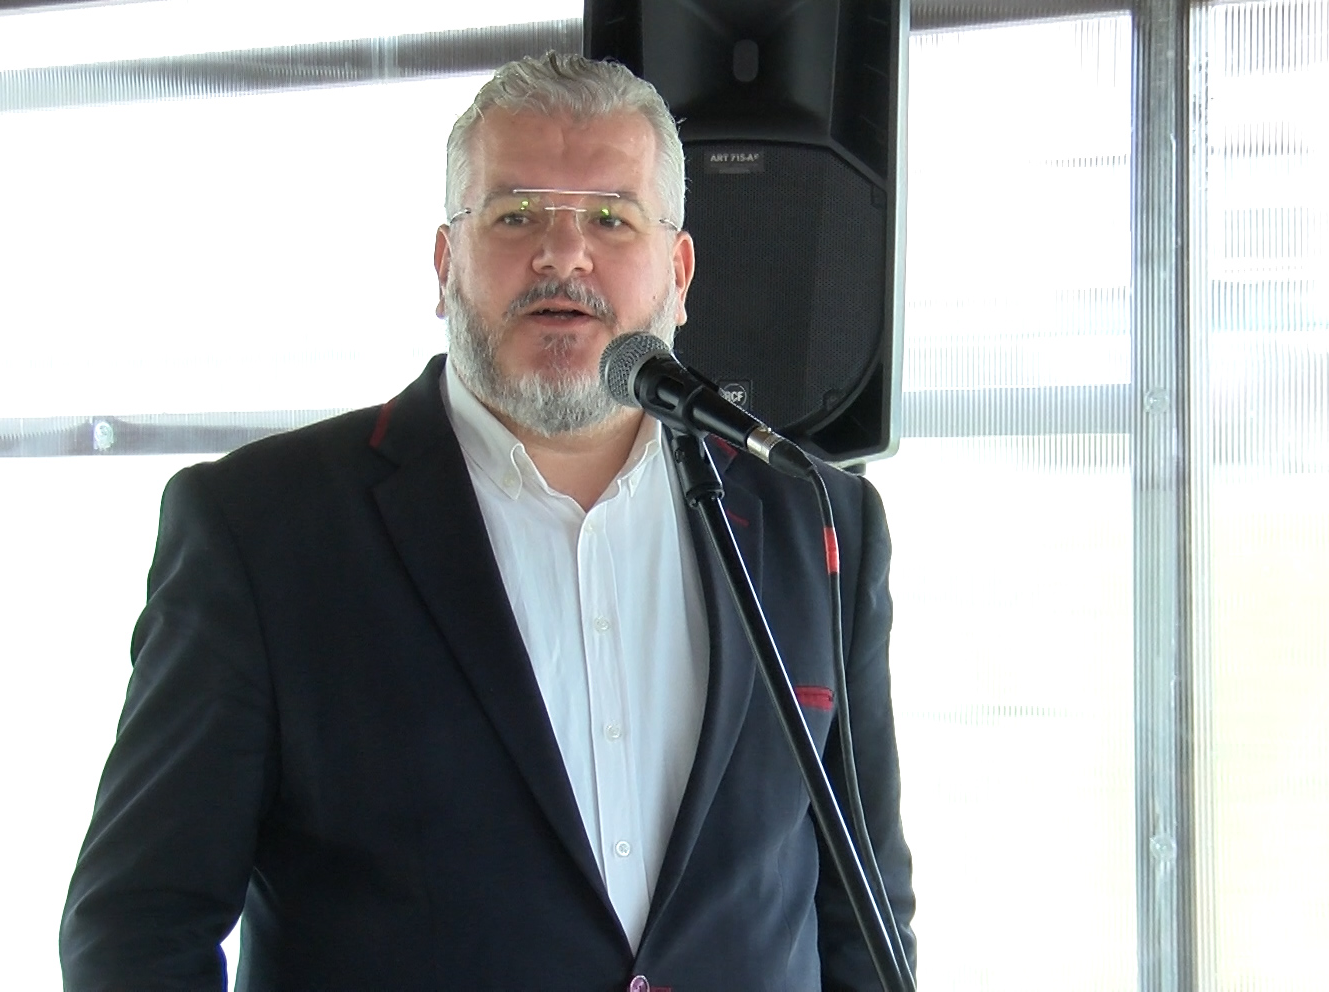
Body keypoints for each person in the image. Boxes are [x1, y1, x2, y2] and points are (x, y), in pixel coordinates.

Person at [60, 51, 914, 991]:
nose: (563, 254)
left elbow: (866, 918)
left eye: (611, 218)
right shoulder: (263, 531)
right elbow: (137, 929)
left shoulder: (815, 523)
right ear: (444, 264)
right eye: (515, 215)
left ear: (678, 272)